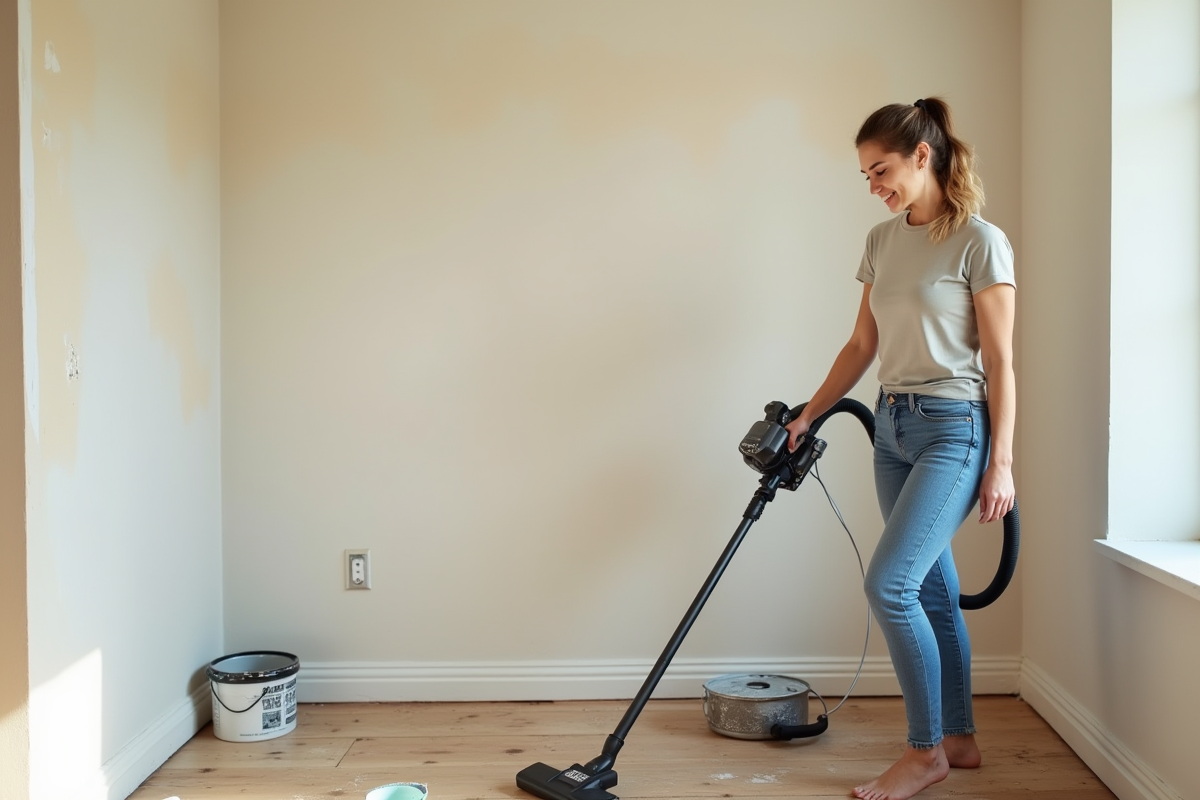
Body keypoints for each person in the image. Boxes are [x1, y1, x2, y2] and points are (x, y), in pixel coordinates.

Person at [784, 97, 1016, 800]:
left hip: (955, 428)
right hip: (891, 428)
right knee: (935, 592)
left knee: (890, 585)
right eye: (865, 175)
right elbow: (863, 344)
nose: (874, 184)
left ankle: (924, 754)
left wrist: (1001, 461)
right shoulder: (882, 241)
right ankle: (960, 738)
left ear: (923, 155)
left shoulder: (980, 240)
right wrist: (810, 414)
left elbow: (1001, 361)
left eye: (880, 169)